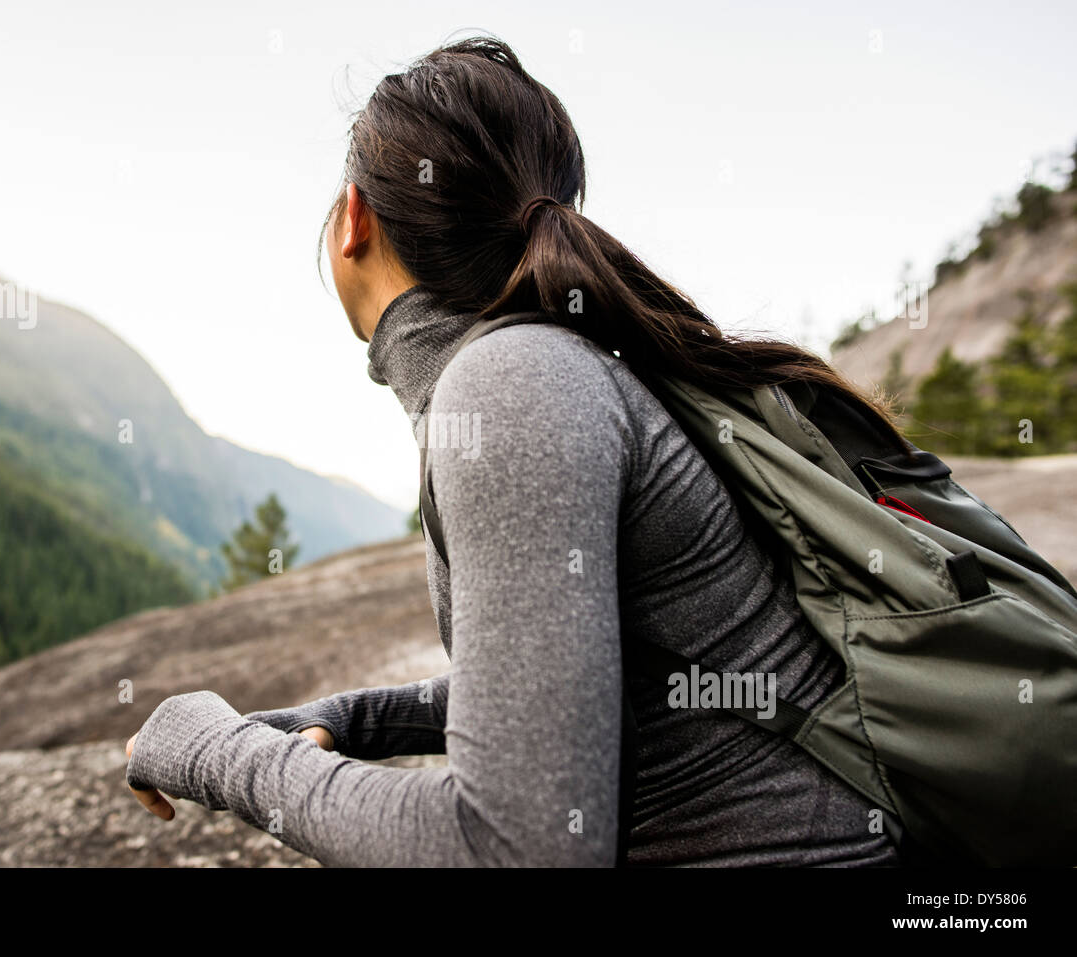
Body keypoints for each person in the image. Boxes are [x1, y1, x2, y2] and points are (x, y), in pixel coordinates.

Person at [124, 35, 901, 867]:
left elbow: (514, 846)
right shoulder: (549, 369)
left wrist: (214, 751)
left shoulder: (512, 383)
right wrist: (359, 719)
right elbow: (581, 683)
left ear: (353, 217)